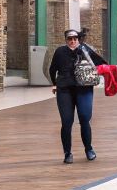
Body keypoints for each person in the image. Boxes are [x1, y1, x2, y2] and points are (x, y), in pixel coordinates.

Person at [48, 28, 112, 163]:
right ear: (66, 40)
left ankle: (89, 149)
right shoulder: (60, 51)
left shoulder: (85, 49)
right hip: (64, 89)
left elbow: (102, 64)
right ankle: (67, 153)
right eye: (69, 39)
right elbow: (52, 69)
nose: (72, 41)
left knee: (84, 118)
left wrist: (93, 72)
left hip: (84, 88)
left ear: (78, 39)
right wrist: (54, 84)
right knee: (66, 122)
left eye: (75, 39)